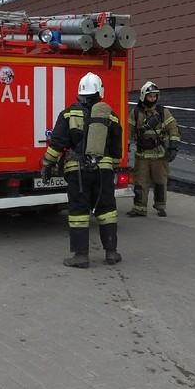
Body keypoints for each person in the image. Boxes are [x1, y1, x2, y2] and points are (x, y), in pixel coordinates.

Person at [40, 72, 123, 268]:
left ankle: (81, 256)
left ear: (80, 93)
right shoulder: (111, 116)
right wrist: (114, 167)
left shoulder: (68, 114)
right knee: (107, 211)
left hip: (77, 172)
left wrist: (47, 163)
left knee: (78, 213)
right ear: (99, 92)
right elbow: (117, 148)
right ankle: (111, 252)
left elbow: (58, 144)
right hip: (103, 171)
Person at [127, 82, 181, 217]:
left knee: (160, 182)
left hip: (159, 154)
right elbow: (128, 131)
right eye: (150, 96)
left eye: (154, 96)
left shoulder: (163, 112)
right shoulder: (135, 113)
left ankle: (160, 206)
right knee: (140, 182)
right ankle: (139, 208)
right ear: (143, 96)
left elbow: (173, 128)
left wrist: (173, 146)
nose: (152, 99)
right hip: (142, 155)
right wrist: (124, 147)